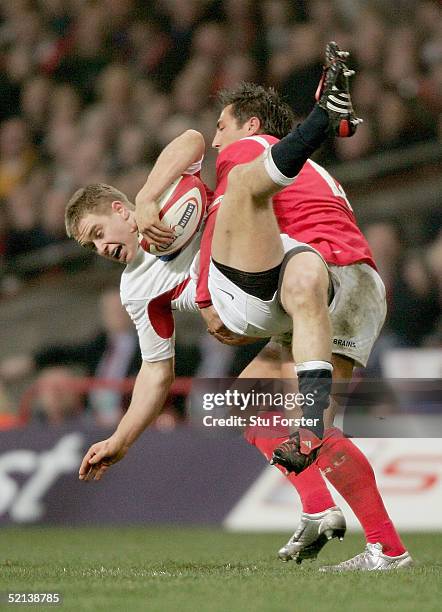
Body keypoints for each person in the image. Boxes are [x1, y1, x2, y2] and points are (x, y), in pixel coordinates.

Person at [70, 43, 411, 570]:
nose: (214, 139)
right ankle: (379, 545)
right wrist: (121, 438)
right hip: (357, 288)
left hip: (306, 275)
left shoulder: (239, 158)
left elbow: (188, 142)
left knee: (243, 194)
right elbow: (156, 374)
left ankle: (325, 117)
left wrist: (146, 198)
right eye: (90, 246)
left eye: (222, 127)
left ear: (250, 127)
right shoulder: (141, 282)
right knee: (257, 407)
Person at [0, 288, 140, 426]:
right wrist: (31, 362)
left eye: (120, 309)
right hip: (92, 414)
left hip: (129, 413)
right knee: (53, 379)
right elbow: (63, 352)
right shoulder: (100, 343)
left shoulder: (144, 345)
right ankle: (52, 434)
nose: (116, 315)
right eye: (110, 311)